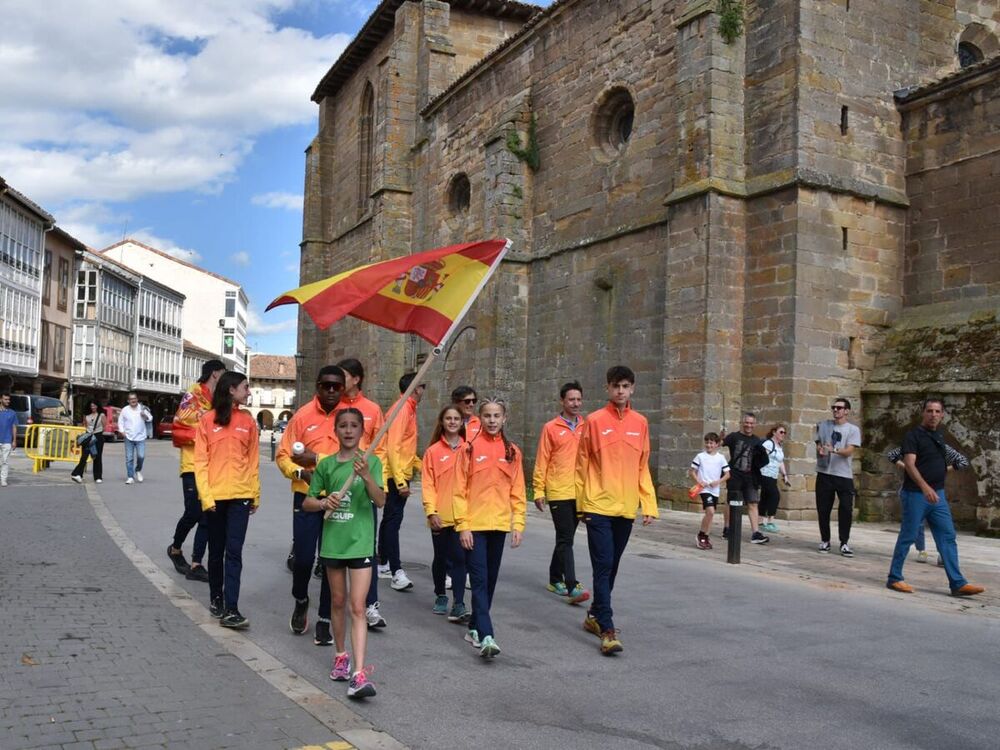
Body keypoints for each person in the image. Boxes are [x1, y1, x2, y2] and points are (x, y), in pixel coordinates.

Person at [302, 407, 385, 699]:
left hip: (360, 543)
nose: (349, 431)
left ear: (362, 431)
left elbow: (380, 500)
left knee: (357, 606)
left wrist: (366, 476)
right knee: (337, 601)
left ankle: (359, 673)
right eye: (343, 426)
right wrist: (325, 503)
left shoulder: (371, 461)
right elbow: (307, 503)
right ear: (335, 431)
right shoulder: (326, 465)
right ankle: (340, 655)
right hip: (333, 543)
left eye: (354, 426)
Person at [576, 365, 658, 656]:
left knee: (612, 565)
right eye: (615, 386)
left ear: (632, 388)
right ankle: (607, 629)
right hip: (598, 505)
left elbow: (642, 466)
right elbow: (581, 465)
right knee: (603, 564)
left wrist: (648, 503)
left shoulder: (641, 423)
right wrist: (580, 504)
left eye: (625, 386)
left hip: (625, 507)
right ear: (608, 389)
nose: (620, 391)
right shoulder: (594, 420)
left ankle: (594, 616)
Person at [277, 365, 346, 644]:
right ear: (317, 385)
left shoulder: (349, 418)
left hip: (339, 500)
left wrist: (316, 460)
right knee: (304, 559)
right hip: (306, 496)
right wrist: (299, 472)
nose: (331, 390)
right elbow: (283, 455)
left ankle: (325, 620)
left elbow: (355, 457)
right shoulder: (302, 416)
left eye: (336, 386)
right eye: (326, 385)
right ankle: (301, 598)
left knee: (331, 562)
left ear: (343, 388)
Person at [886, 400, 983, 597]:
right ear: (923, 413)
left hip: (938, 495)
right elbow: (910, 464)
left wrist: (935, 485)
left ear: (942, 415)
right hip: (916, 494)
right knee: (909, 535)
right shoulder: (913, 436)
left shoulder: (939, 436)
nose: (933, 414)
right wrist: (924, 486)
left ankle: (957, 583)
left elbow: (942, 463)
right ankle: (894, 578)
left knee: (948, 537)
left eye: (937, 411)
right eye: (929, 411)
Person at [455, 398, 526, 659]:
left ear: (504, 418)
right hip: (474, 525)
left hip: (499, 525)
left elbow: (518, 491)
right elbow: (459, 491)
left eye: (497, 416)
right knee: (480, 579)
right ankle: (487, 634)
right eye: (487, 416)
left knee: (491, 580)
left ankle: (474, 626)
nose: (492, 420)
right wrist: (463, 526)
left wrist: (517, 524)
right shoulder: (469, 450)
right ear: (480, 419)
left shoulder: (513, 452)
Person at [194, 371, 260, 629]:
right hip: (215, 497)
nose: (249, 391)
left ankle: (231, 608)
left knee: (234, 552)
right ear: (231, 389)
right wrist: (206, 497)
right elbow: (200, 462)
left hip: (241, 496)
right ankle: (216, 598)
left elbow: (253, 460)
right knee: (216, 550)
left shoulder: (248, 421)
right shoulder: (207, 421)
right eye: (246, 387)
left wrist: (255, 493)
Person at [168, 359, 226, 583]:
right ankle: (175, 548)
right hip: (192, 464)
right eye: (223, 373)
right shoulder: (194, 394)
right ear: (214, 374)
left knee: (206, 515)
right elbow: (180, 425)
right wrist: (207, 437)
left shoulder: (220, 399)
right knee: (193, 512)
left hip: (212, 467)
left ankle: (196, 563)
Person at [533, 381, 589, 604]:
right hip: (558, 490)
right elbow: (542, 459)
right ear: (562, 402)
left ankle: (554, 578)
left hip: (581, 492)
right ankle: (571, 585)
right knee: (566, 538)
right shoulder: (551, 428)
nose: (575, 403)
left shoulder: (587, 426)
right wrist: (538, 489)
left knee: (566, 538)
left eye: (578, 399)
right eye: (571, 400)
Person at [421, 405, 469, 622]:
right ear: (442, 422)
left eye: (456, 418)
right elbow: (428, 484)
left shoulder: (469, 449)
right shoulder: (432, 452)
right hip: (440, 515)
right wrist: (431, 512)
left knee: (460, 559)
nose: (452, 422)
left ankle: (459, 602)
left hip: (462, 516)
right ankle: (441, 594)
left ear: (461, 423)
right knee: (441, 558)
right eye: (448, 418)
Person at [378, 372, 425, 592]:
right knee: (393, 521)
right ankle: (395, 570)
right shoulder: (403, 409)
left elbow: (406, 450)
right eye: (422, 386)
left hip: (398, 472)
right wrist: (400, 482)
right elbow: (393, 447)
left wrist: (424, 466)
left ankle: (383, 563)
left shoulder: (408, 409)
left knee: (390, 520)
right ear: (415, 388)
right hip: (394, 474)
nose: (424, 390)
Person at [886, 443, 968, 565]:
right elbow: (892, 455)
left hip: (934, 488)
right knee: (916, 524)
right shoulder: (913, 445)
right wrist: (907, 467)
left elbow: (962, 461)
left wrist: (943, 469)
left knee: (941, 525)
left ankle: (943, 554)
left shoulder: (942, 447)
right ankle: (921, 550)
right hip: (913, 489)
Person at [814, 397, 861, 556]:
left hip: (843, 475)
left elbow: (848, 451)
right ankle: (825, 540)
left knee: (846, 509)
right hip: (825, 473)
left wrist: (833, 450)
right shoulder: (824, 425)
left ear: (846, 411)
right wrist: (820, 449)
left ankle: (844, 542)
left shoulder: (852, 429)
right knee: (823, 509)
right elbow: (819, 443)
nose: (835, 410)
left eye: (839, 408)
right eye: (834, 407)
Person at [720, 413, 769, 544]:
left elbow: (762, 459)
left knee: (753, 503)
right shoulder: (733, 437)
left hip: (750, 477)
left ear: (755, 424)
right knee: (731, 502)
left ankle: (755, 533)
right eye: (747, 422)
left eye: (751, 423)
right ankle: (727, 528)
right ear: (742, 423)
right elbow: (720, 444)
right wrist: (721, 437)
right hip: (735, 475)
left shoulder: (757, 440)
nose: (749, 425)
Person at [688, 432, 730, 550]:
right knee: (710, 511)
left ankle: (705, 536)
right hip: (704, 489)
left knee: (710, 514)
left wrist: (718, 481)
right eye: (707, 442)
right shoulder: (700, 456)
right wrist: (699, 481)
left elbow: (727, 474)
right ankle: (701, 535)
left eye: (711, 443)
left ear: (717, 444)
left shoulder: (720, 458)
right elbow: (692, 471)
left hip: (715, 489)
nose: (709, 445)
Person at [758, 423, 791, 532]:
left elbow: (780, 462)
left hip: (773, 475)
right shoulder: (768, 444)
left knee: (765, 496)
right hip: (765, 474)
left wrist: (785, 476)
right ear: (774, 432)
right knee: (775, 495)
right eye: (781, 432)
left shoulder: (779, 446)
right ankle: (770, 521)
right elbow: (761, 456)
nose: (783, 434)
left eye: (784, 433)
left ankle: (761, 521)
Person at [119, 392, 152, 485]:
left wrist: (144, 416)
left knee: (141, 456)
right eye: (131, 399)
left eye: (134, 399)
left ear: (137, 399)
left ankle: (138, 470)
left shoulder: (142, 408)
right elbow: (120, 421)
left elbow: (150, 418)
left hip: (140, 437)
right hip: (128, 437)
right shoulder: (125, 410)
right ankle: (130, 477)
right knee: (129, 458)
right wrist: (122, 431)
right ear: (128, 401)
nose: (133, 400)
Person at [70, 399, 105, 484]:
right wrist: (89, 433)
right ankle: (78, 474)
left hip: (98, 436)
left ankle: (98, 477)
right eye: (91, 406)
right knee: (84, 456)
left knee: (97, 457)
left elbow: (104, 426)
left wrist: (97, 433)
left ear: (97, 406)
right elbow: (85, 425)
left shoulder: (101, 415)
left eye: (94, 405)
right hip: (88, 436)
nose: (93, 407)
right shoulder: (86, 415)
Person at [0, 393, 17, 487]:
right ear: (0, 400)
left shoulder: (12, 413)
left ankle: (3, 480)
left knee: (5, 461)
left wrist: (14, 440)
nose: (8, 401)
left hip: (7, 440)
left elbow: (14, 427)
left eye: (8, 399)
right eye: (6, 399)